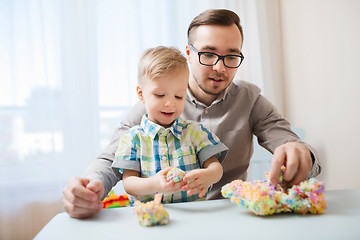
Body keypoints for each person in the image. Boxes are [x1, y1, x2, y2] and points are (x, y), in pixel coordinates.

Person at [62, 9, 321, 219]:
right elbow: (110, 161)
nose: (220, 67)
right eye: (208, 54)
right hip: (166, 217)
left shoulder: (251, 101)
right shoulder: (153, 104)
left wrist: (301, 154)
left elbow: (294, 146)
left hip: (228, 216)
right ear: (189, 54)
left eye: (231, 57)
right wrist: (89, 187)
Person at [112, 46, 227, 204]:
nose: (170, 103)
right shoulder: (133, 138)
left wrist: (208, 176)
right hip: (150, 215)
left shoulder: (196, 132)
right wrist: (155, 184)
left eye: (179, 96)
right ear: (141, 94)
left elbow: (216, 168)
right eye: (160, 95)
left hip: (194, 215)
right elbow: (129, 184)